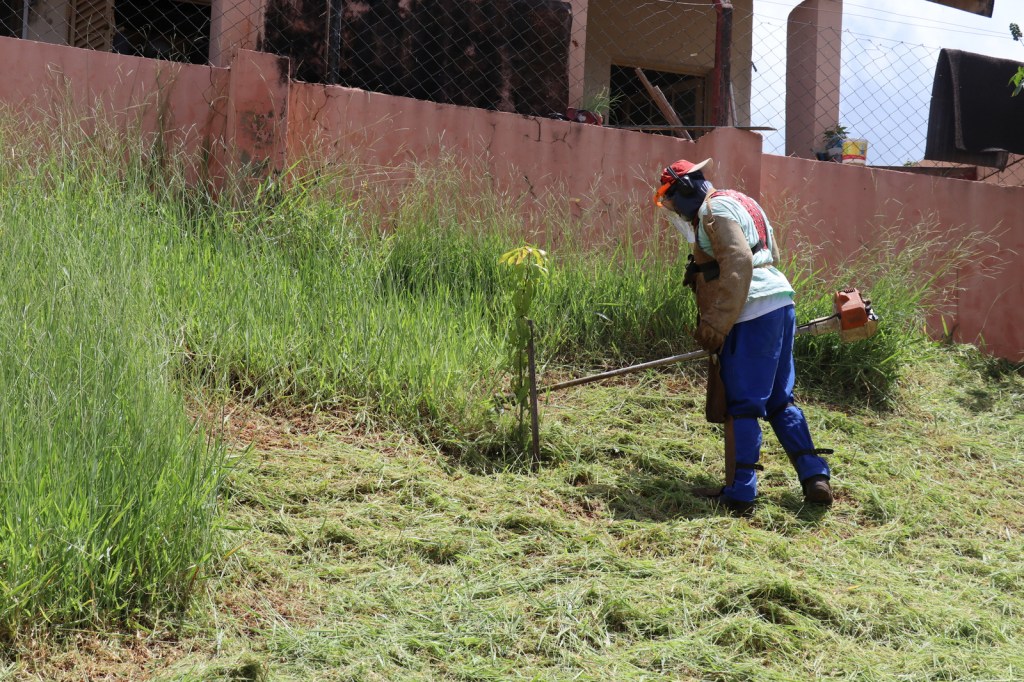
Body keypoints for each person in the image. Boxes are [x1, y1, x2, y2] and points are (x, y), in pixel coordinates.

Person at [654, 157, 833, 514]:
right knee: (781, 399)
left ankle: (741, 494)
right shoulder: (741, 200)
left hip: (750, 311)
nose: (673, 210)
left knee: (744, 403)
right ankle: (815, 476)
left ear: (686, 188)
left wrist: (718, 323)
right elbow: (772, 254)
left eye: (670, 200)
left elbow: (739, 262)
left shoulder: (713, 213)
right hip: (781, 301)